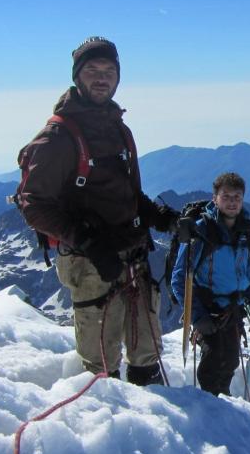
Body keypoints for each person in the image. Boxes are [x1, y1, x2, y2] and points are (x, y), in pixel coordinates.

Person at [17, 36, 177, 385]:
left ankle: (154, 429)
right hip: (92, 266)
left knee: (146, 354)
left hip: (133, 259)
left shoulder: (118, 128)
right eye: (92, 70)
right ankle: (108, 430)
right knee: (100, 368)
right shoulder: (58, 136)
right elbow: (34, 204)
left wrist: (163, 219)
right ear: (78, 76)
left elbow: (127, 193)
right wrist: (89, 242)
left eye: (109, 71)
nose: (101, 78)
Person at [170, 172, 250, 397]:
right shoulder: (203, 230)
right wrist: (197, 317)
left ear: (243, 200)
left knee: (230, 361)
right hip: (208, 310)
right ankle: (210, 409)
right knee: (213, 364)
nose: (232, 201)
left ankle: (221, 406)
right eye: (226, 196)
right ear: (215, 198)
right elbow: (179, 278)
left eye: (237, 197)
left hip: (232, 311)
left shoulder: (244, 233)